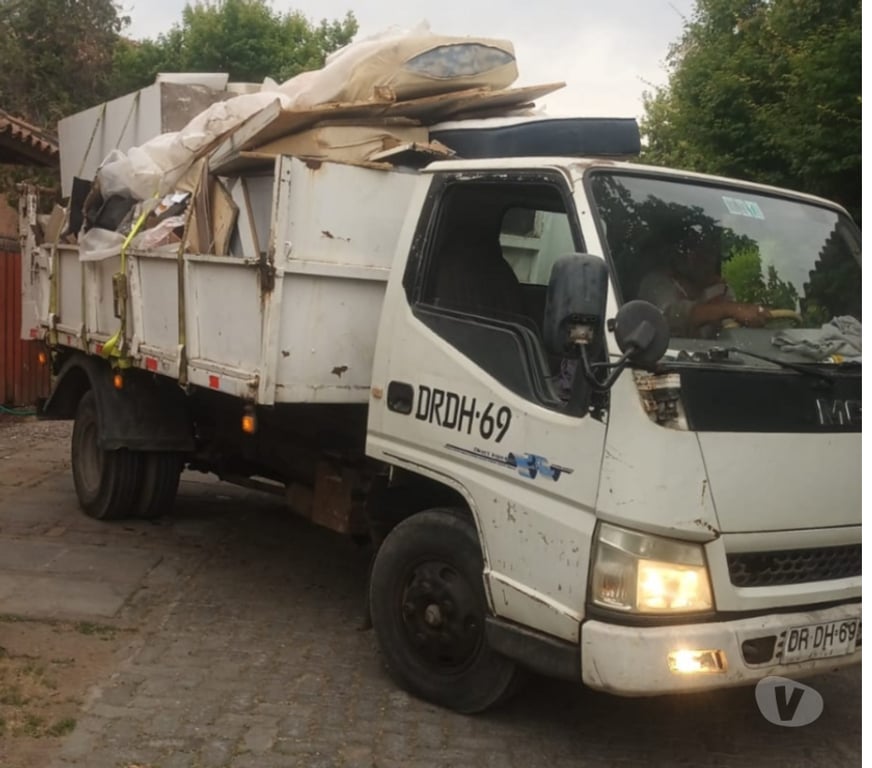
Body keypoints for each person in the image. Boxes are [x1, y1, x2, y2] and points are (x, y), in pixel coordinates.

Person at [638, 229, 770, 338]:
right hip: (666, 362)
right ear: (679, 257)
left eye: (710, 253)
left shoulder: (720, 289)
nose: (705, 260)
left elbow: (735, 328)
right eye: (696, 253)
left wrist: (754, 316)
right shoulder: (657, 283)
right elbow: (671, 318)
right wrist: (729, 310)